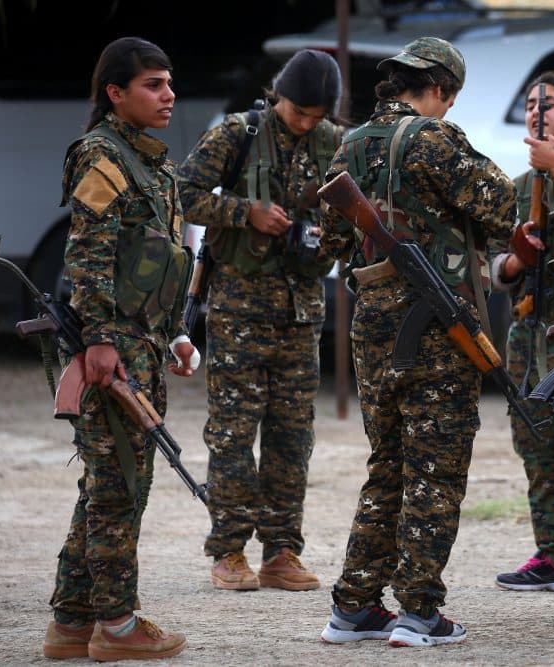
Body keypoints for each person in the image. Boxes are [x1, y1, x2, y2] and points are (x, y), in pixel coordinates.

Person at [317, 37, 516, 647]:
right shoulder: (434, 138)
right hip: (433, 325)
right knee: (435, 466)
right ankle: (420, 611)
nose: (448, 108)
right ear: (438, 88)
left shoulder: (346, 145)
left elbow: (329, 241)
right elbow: (501, 204)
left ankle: (354, 605)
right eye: (449, 97)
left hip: (372, 323)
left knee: (389, 462)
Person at [43, 36, 195, 661]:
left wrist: (179, 333)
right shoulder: (104, 157)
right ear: (115, 92)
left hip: (145, 343)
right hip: (115, 347)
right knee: (119, 487)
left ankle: (72, 625)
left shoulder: (148, 161)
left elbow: (163, 259)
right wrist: (100, 340)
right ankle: (118, 625)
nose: (168, 95)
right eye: (153, 85)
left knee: (111, 482)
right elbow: (88, 255)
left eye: (168, 83)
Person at [176, 50, 343, 592]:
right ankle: (227, 550)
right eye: (299, 112)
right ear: (279, 96)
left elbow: (356, 213)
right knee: (232, 432)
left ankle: (281, 550)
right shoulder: (238, 134)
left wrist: (323, 235)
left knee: (293, 438)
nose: (306, 123)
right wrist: (245, 212)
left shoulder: (333, 144)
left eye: (317, 115)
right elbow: (183, 194)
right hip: (238, 312)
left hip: (301, 314)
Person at [491, 71, 554, 593]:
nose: (538, 113)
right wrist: (514, 262)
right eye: (530, 104)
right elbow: (493, 262)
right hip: (529, 334)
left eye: (549, 104)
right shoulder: (516, 187)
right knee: (536, 442)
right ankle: (552, 551)